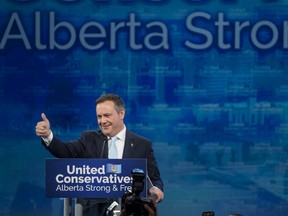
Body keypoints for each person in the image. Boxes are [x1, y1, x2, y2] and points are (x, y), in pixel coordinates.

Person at [35, 93, 164, 216]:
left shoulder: (142, 144)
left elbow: (154, 178)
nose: (102, 121)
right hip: (92, 211)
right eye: (99, 116)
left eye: (107, 115)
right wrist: (48, 136)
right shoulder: (89, 139)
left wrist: (156, 190)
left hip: (128, 211)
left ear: (121, 114)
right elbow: (65, 151)